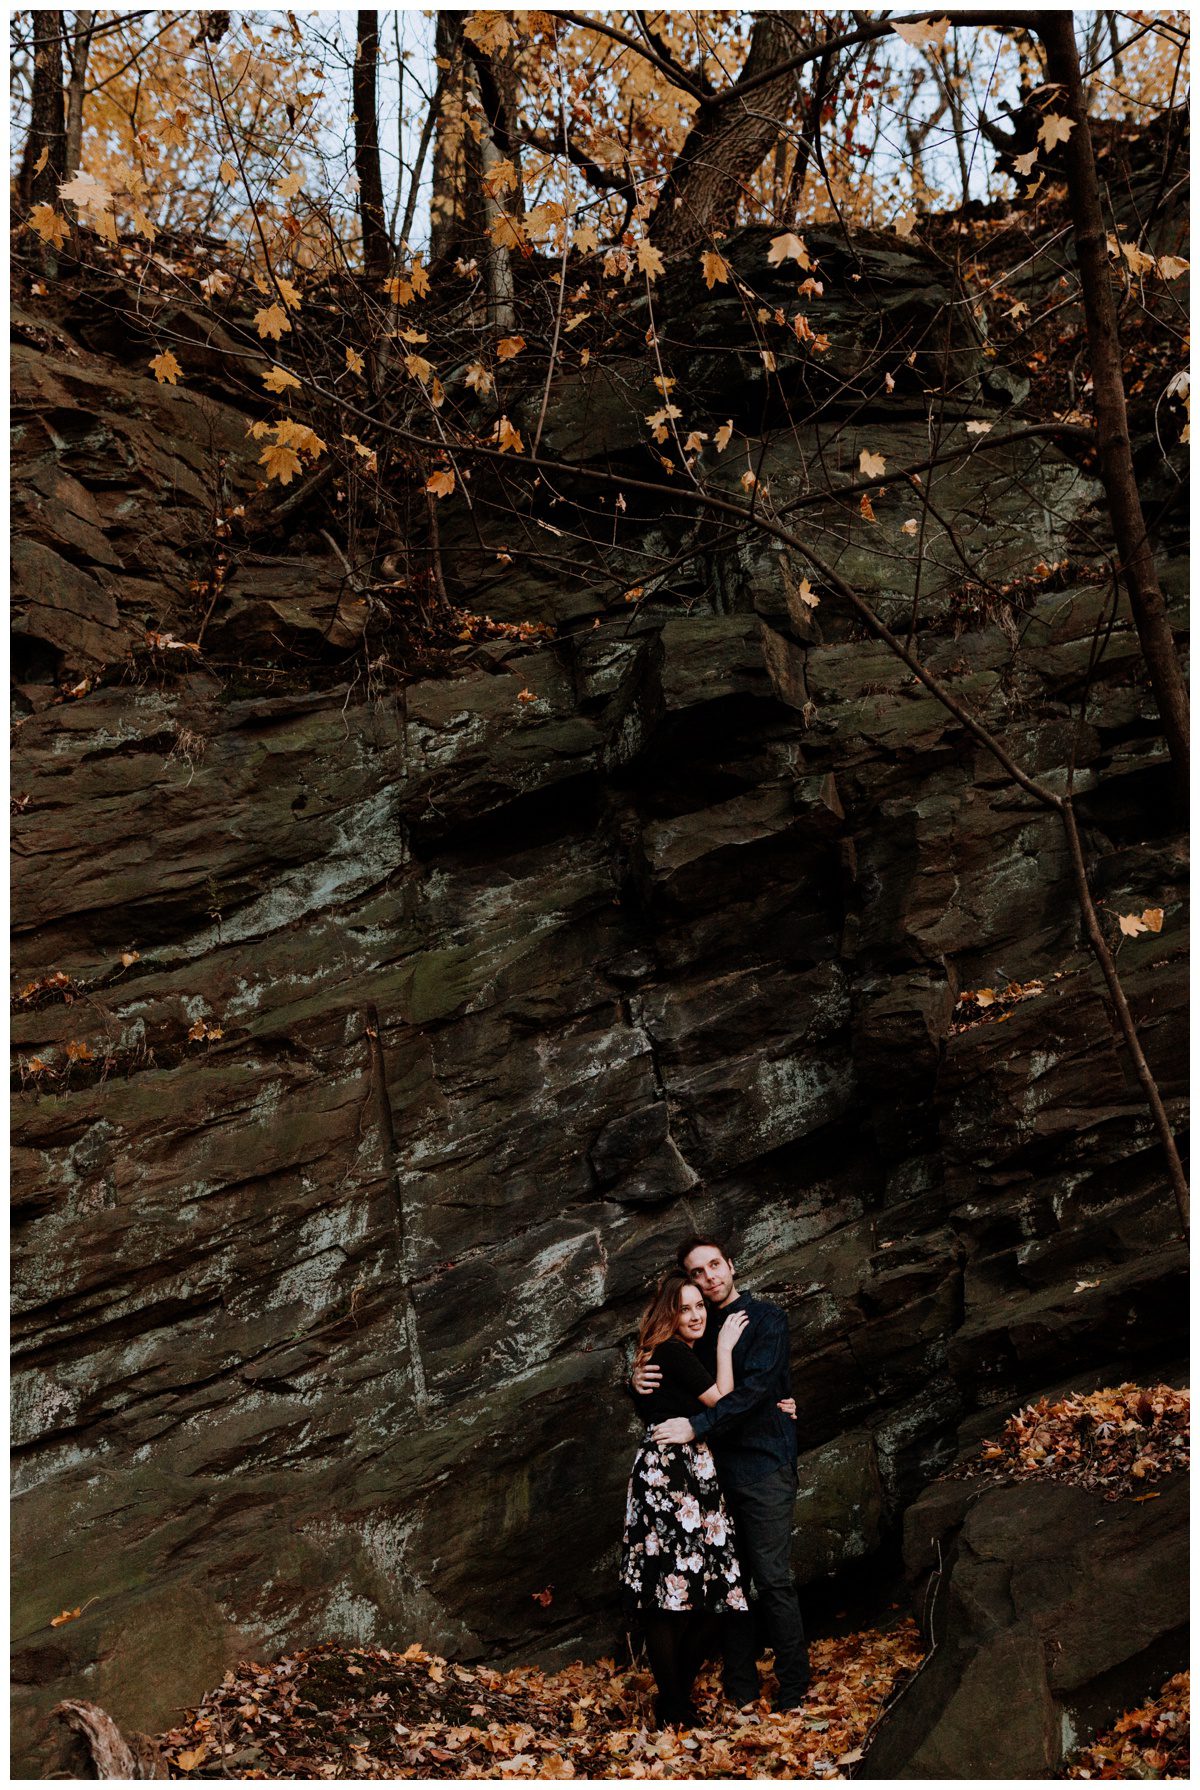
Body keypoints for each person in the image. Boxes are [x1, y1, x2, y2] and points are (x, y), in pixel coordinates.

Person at [633, 1235, 810, 1711]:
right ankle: (741, 1688)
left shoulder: (766, 1318)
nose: (710, 1278)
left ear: (731, 1265)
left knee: (772, 1579)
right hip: (708, 1480)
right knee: (731, 1587)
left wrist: (695, 1425)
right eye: (697, 1273)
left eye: (715, 1265)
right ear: (686, 1283)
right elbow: (669, 1368)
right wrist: (634, 1379)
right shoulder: (697, 1326)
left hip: (762, 1465)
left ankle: (793, 1689)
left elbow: (752, 1394)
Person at [620, 1270, 751, 1729]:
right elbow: (726, 1403)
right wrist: (723, 1349)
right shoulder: (675, 1352)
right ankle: (675, 1704)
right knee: (669, 1594)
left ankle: (673, 1702)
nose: (695, 1315)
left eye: (700, 1307)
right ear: (669, 1315)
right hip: (670, 1474)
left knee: (709, 1592)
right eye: (685, 1308)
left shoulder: (663, 1355)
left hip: (689, 1472)